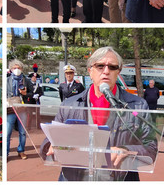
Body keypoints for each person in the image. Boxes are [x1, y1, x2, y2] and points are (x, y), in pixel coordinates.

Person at [42, 46, 157, 181]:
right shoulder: (69, 105)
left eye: (112, 67)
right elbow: (48, 140)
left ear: (118, 72)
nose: (106, 71)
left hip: (118, 177)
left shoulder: (137, 106)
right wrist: (51, 146)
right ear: (90, 71)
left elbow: (151, 148)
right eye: (100, 66)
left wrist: (127, 150)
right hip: (76, 178)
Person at [7, 59, 29, 160]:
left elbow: (34, 93)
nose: (16, 70)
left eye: (18, 68)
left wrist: (25, 94)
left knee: (22, 132)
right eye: (14, 68)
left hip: (22, 109)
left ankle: (21, 150)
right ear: (11, 69)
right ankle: (6, 153)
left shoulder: (26, 80)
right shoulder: (7, 80)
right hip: (10, 109)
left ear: (22, 69)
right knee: (7, 131)